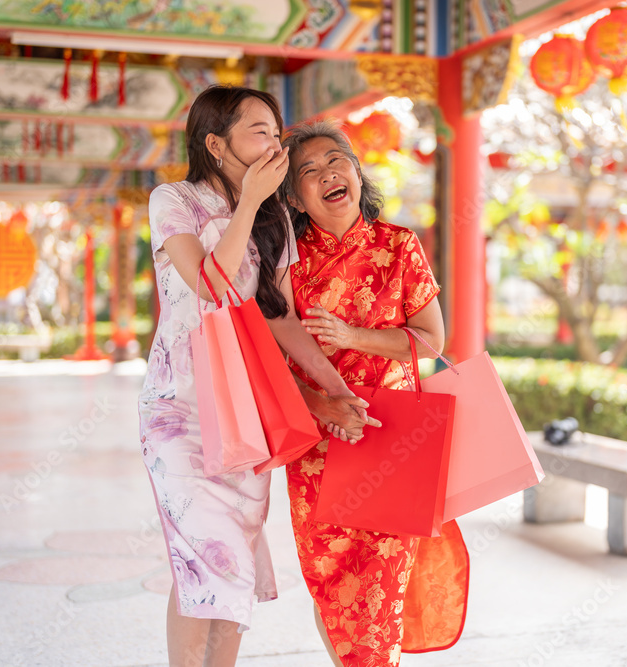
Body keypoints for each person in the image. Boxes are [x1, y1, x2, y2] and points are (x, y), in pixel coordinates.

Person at [138, 86, 377, 667]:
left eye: (276, 132)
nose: (275, 143)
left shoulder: (277, 221)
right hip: (180, 413)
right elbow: (211, 287)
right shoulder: (173, 200)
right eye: (259, 132)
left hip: (247, 416)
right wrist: (247, 203)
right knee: (204, 558)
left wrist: (337, 392)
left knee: (235, 563)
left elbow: (283, 319)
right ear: (216, 144)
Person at [257, 119, 469, 666]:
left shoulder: (399, 245)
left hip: (392, 435)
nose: (328, 173)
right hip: (319, 440)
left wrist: (352, 337)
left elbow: (432, 342)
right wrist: (321, 404)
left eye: (337, 160)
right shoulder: (283, 260)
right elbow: (267, 355)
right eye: (309, 170)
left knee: (382, 581)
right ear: (294, 198)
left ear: (355, 171)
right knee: (332, 582)